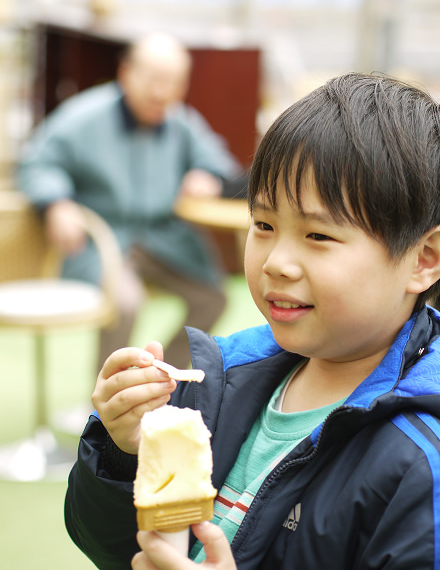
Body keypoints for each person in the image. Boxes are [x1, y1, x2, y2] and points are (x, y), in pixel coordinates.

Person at [65, 73, 440, 569]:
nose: (276, 262)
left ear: (423, 259)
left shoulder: (420, 458)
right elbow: (113, 547)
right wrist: (122, 452)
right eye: (263, 225)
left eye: (318, 236)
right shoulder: (220, 380)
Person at [16, 32, 241, 371]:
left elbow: (218, 161)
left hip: (166, 239)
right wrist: (56, 202)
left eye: (174, 83)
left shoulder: (180, 120)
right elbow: (37, 162)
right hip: (104, 238)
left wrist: (206, 174)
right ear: (126, 73)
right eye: (154, 80)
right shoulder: (84, 116)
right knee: (124, 303)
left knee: (214, 298)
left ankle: (158, 375)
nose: (162, 93)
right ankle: (108, 392)